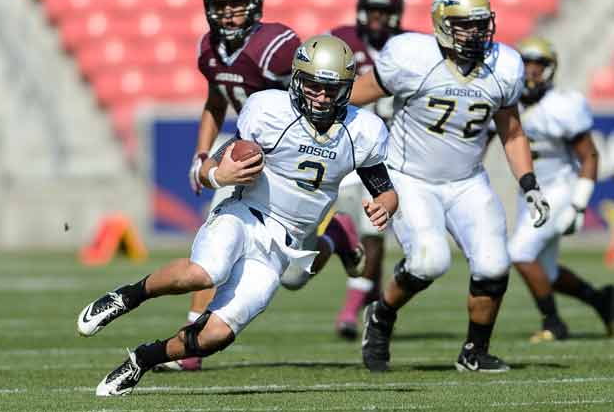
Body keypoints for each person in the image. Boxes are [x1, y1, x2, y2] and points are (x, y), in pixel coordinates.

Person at [76, 35, 399, 396]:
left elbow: (384, 188)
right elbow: (221, 160)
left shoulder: (363, 130)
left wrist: (386, 205)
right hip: (246, 215)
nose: (322, 97)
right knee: (205, 272)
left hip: (284, 248)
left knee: (216, 335)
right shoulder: (269, 111)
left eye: (332, 89)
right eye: (314, 87)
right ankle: (126, 297)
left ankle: (142, 360)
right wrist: (218, 175)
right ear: (297, 81)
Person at [169, 0, 364, 371]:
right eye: (220, 6)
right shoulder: (209, 47)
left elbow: (317, 90)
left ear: (255, 4)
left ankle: (336, 236)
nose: (227, 14)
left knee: (293, 277)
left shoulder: (274, 46)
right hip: (247, 153)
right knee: (214, 244)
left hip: (288, 159)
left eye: (236, 4)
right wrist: (201, 155)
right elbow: (216, 99)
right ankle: (192, 346)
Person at [350, 0, 550, 373]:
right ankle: (382, 314)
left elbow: (512, 132)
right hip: (410, 177)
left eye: (480, 24)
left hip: (466, 181)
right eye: (464, 25)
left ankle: (474, 351)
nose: (475, 33)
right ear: (442, 25)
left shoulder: (503, 65)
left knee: (494, 265)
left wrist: (530, 185)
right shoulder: (411, 56)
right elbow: (359, 94)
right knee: (429, 261)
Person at [506, 36, 613, 342]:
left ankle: (553, 323)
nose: (532, 71)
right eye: (526, 63)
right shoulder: (506, 103)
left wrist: (579, 205)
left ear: (550, 69)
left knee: (521, 253)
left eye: (539, 64)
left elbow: (589, 155)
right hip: (530, 193)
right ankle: (602, 300)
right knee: (547, 273)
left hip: (559, 189)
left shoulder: (562, 105)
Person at [329, 0, 405, 340]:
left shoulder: (408, 48)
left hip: (385, 152)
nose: (376, 18)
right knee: (343, 229)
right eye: (373, 10)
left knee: (374, 229)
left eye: (383, 11)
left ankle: (349, 311)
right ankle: (369, 295)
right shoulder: (342, 39)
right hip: (345, 147)